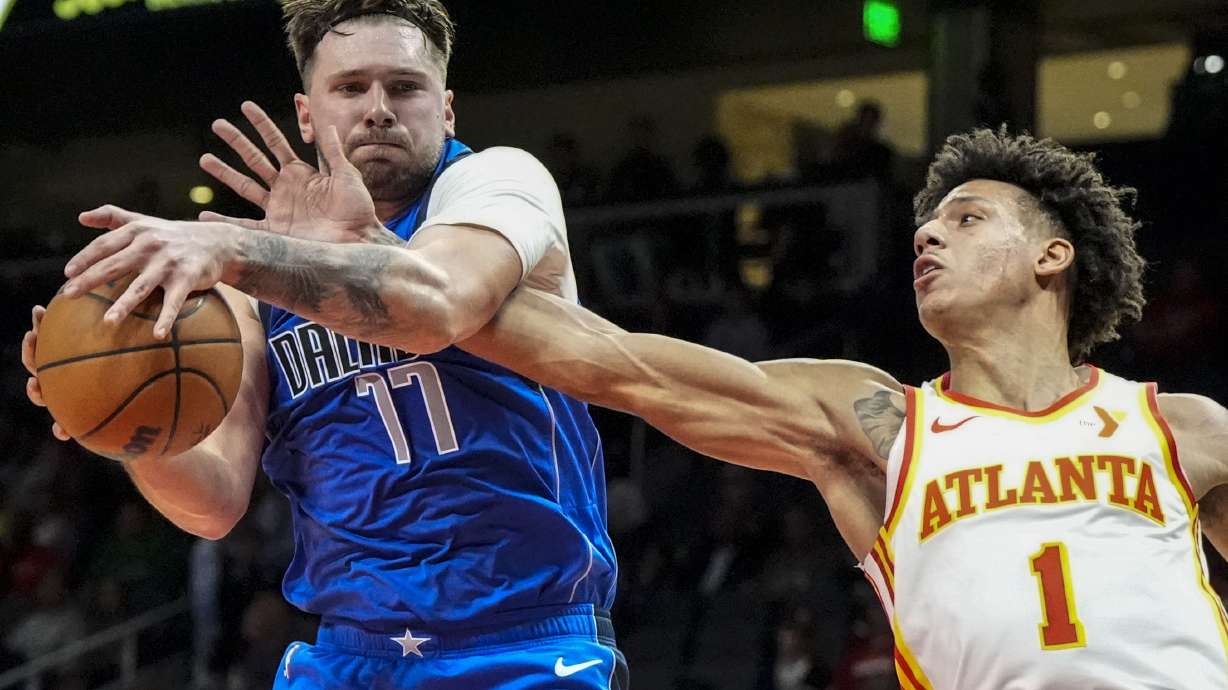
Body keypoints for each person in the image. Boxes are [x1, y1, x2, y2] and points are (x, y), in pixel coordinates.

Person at [455, 128, 1228, 688]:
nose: (927, 236)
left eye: (966, 219)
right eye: (926, 226)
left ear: (1050, 255)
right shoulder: (881, 426)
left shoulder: (1183, 429)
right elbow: (623, 366)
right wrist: (430, 285)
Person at [21, 1, 625, 688]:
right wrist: (122, 419)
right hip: (351, 652)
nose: (378, 110)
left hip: (524, 640)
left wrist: (238, 250)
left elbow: (438, 302)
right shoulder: (249, 292)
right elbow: (212, 506)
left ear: (447, 108)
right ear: (307, 116)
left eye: (405, 86)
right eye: (350, 87)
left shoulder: (497, 185)